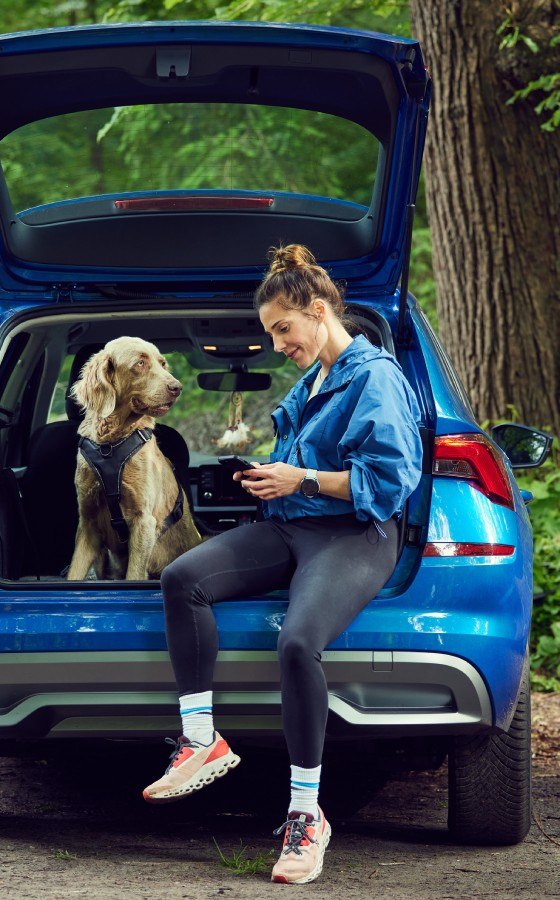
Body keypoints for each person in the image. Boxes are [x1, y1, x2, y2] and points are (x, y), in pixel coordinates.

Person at [144, 244, 424, 885]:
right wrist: (273, 480)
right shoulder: (313, 383)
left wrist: (300, 478)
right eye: (271, 332)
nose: (276, 345)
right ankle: (200, 739)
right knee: (183, 578)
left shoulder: (375, 377)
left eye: (282, 329)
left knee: (298, 643)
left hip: (354, 536)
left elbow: (388, 482)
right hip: (292, 527)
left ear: (319, 311)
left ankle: (306, 815)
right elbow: (301, 477)